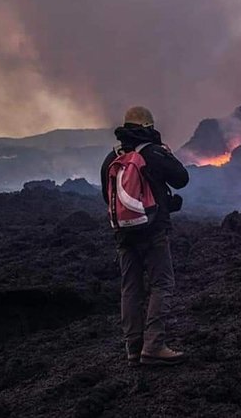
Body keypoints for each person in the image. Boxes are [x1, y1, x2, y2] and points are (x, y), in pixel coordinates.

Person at [100, 106, 189, 366]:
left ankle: (133, 347)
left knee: (130, 288)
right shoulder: (153, 153)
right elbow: (181, 178)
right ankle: (154, 346)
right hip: (152, 231)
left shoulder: (112, 158)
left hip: (123, 234)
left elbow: (109, 197)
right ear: (149, 127)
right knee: (162, 284)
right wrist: (166, 153)